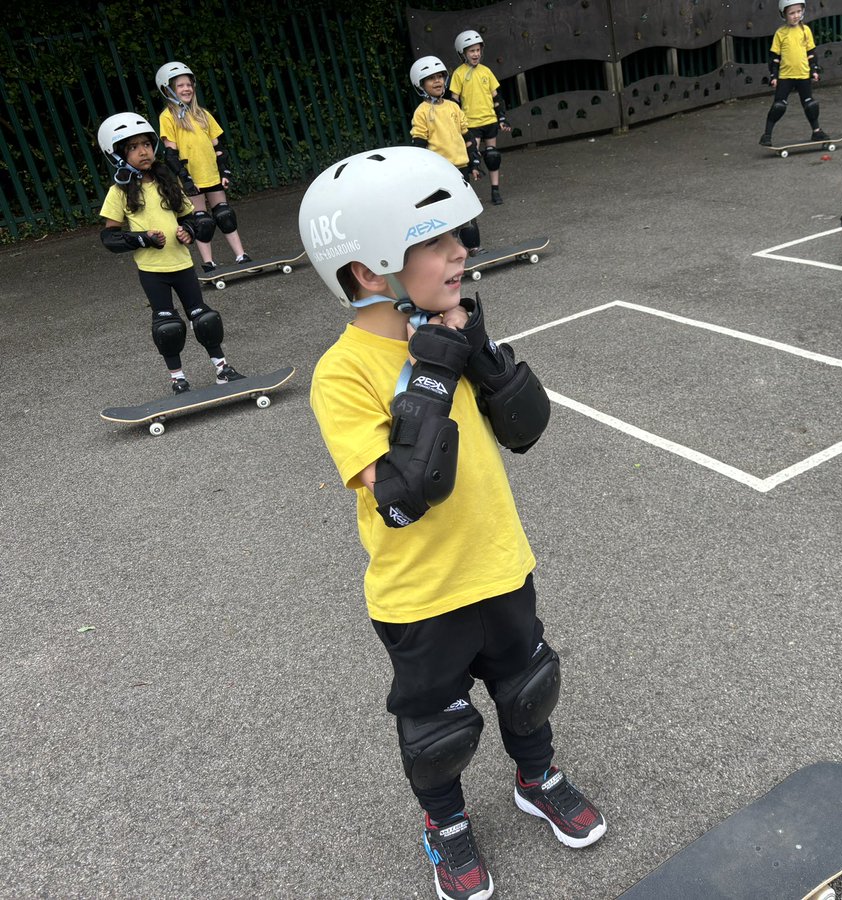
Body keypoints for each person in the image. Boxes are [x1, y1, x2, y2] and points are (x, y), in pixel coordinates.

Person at [301, 146, 606, 900]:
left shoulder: (451, 326)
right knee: (437, 733)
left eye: (457, 237)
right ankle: (446, 824)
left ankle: (538, 778)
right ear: (370, 270)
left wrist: (484, 360)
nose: (460, 252)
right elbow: (403, 496)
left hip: (499, 561)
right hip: (420, 591)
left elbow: (525, 428)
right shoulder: (343, 373)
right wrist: (433, 368)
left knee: (527, 686)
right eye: (435, 242)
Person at [96, 112, 243, 395]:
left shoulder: (168, 180)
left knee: (204, 318)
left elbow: (192, 217)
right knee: (167, 326)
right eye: (133, 147)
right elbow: (110, 237)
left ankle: (223, 369)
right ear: (116, 155)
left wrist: (187, 230)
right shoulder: (119, 192)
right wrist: (142, 239)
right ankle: (178, 379)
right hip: (153, 272)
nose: (143, 151)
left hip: (182, 263)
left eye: (147, 144)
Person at [155, 61, 251, 272]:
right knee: (202, 221)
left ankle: (241, 256)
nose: (186, 88)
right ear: (167, 89)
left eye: (189, 84)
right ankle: (209, 263)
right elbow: (170, 153)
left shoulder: (203, 115)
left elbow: (219, 148)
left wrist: (224, 170)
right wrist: (185, 178)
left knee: (224, 214)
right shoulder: (168, 117)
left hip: (212, 174)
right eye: (180, 85)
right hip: (191, 177)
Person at [409, 56, 484, 255]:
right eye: (430, 78)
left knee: (467, 210)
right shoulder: (422, 112)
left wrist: (475, 163)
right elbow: (419, 146)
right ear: (420, 84)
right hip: (439, 172)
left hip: (461, 169)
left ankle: (473, 247)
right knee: (445, 214)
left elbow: (467, 137)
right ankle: (449, 253)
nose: (437, 81)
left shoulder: (453, 107)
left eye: (440, 76)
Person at [449, 31, 510, 206]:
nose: (475, 54)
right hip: (471, 123)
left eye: (477, 50)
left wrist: (502, 118)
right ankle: (469, 196)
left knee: (492, 156)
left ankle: (495, 190)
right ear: (463, 53)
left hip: (489, 120)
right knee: (470, 159)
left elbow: (496, 98)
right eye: (471, 51)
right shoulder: (459, 74)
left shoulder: (486, 71)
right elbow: (454, 101)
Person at [758, 0, 830, 147]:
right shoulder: (780, 33)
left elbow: (811, 53)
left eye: (798, 11)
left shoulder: (805, 31)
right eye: (791, 13)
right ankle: (767, 135)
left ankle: (816, 131)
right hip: (785, 77)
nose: (796, 15)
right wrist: (774, 76)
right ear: (783, 14)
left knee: (810, 104)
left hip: (803, 75)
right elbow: (775, 58)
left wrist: (814, 70)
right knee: (779, 106)